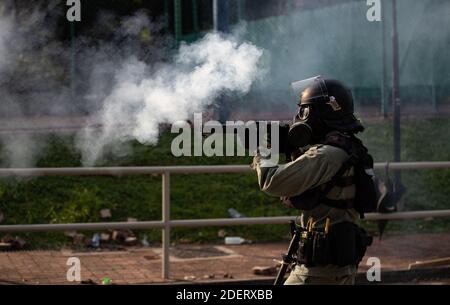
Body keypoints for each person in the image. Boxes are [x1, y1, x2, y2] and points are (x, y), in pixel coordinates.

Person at [251, 76, 374, 285]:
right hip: (335, 267)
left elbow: (272, 182)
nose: (300, 117)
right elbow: (320, 185)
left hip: (319, 271)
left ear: (316, 113)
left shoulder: (327, 154)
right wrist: (293, 151)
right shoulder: (345, 147)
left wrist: (264, 148)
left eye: (304, 111)